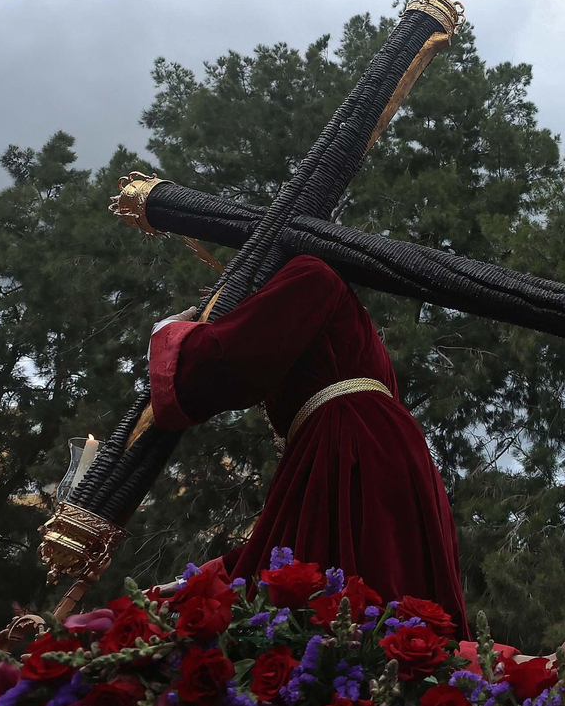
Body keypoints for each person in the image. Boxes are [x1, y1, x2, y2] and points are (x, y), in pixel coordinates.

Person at [148, 254, 470, 636]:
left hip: (351, 444)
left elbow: (226, 360)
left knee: (358, 608)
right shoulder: (348, 347)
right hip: (365, 448)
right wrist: (203, 579)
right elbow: (296, 537)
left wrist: (167, 335)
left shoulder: (309, 273)